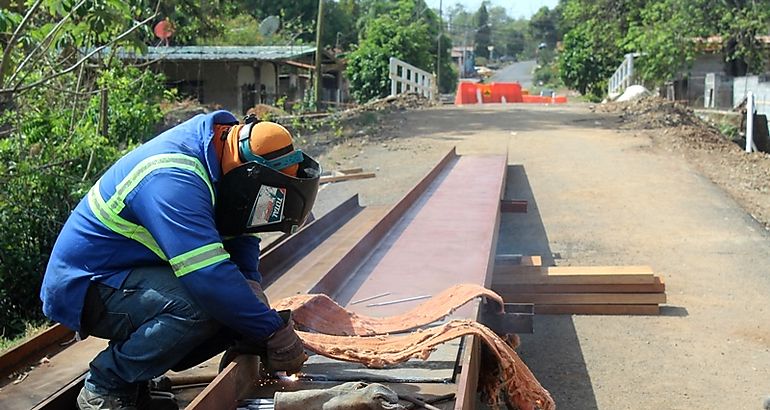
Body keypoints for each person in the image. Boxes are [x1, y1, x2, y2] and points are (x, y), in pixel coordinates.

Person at [40, 111, 320, 410]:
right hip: (88, 286)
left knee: (236, 305)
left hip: (127, 274)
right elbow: (209, 278)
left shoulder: (220, 153)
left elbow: (241, 230)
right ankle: (107, 385)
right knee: (202, 306)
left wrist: (250, 284)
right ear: (249, 173)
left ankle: (138, 383)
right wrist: (271, 330)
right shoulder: (172, 179)